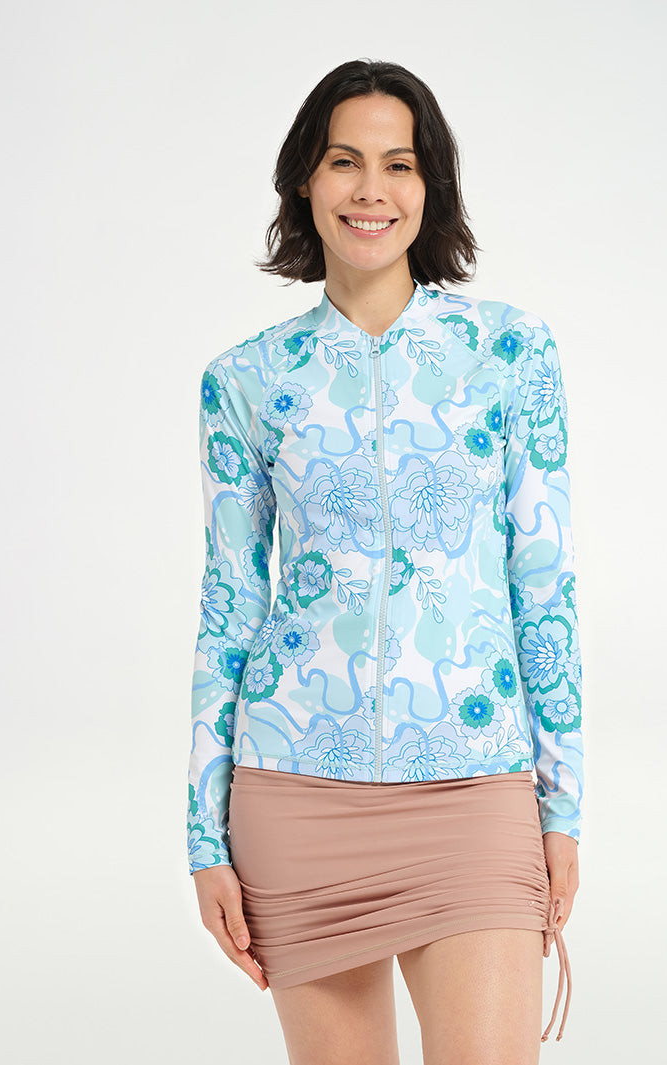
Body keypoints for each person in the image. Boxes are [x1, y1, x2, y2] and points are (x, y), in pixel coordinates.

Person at [187, 58, 585, 1065]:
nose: (372, 190)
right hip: (294, 791)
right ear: (305, 180)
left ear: (429, 184)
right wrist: (203, 834)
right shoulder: (245, 380)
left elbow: (544, 586)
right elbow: (231, 603)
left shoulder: (508, 353)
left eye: (398, 164)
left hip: (473, 783)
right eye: (344, 161)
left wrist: (561, 805)